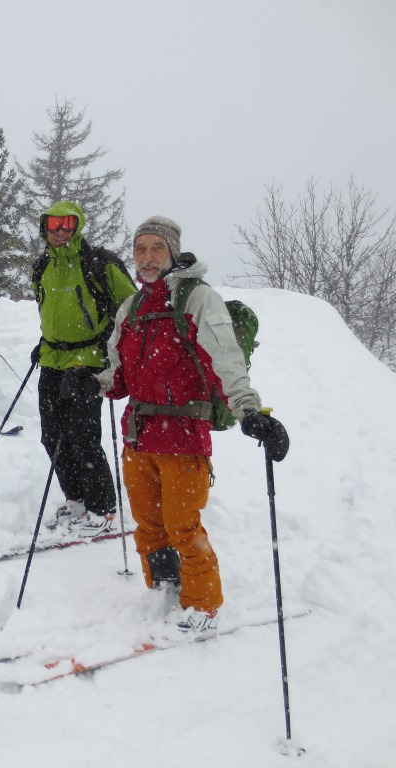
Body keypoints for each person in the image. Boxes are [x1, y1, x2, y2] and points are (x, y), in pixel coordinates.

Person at [92, 215, 290, 636]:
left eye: (156, 248)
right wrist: (90, 382)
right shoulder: (132, 306)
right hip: (138, 435)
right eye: (140, 248)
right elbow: (117, 374)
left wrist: (250, 411)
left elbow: (226, 357)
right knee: (148, 524)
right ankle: (164, 585)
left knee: (183, 525)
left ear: (173, 252)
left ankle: (203, 605)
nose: (146, 257)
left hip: (183, 436)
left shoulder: (197, 298)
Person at [29, 201, 137, 532]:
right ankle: (75, 498)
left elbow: (131, 309)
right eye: (53, 224)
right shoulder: (42, 266)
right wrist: (46, 342)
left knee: (82, 436)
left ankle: (102, 507)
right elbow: (51, 310)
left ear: (78, 226)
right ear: (44, 227)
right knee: (52, 435)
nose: (60, 231)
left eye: (67, 224)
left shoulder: (98, 264)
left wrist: (109, 349)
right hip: (53, 359)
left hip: (88, 361)